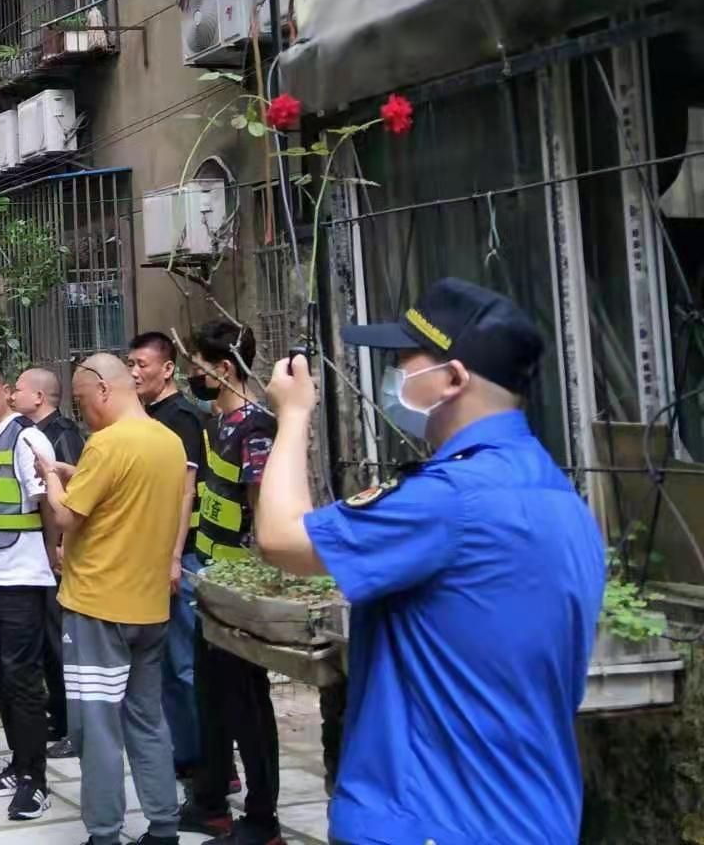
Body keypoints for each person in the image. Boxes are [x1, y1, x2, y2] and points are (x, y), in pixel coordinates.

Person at [257, 278, 605, 845]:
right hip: (533, 818)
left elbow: (279, 538)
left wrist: (294, 416)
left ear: (453, 378)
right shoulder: (562, 501)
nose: (393, 374)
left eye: (404, 361)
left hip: (428, 819)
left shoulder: (450, 499)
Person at [37, 353, 187, 845]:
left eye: (82, 402)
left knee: (96, 727)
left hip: (97, 610)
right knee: (147, 718)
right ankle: (164, 826)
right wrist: (76, 471)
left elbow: (66, 517)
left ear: (103, 389)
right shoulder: (168, 441)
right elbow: (122, 496)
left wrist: (51, 475)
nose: (83, 415)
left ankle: (104, 833)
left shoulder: (107, 443)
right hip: (150, 608)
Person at [176, 320, 282, 845]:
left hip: (240, 590)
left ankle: (263, 819)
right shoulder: (216, 423)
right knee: (211, 697)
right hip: (210, 582)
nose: (190, 375)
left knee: (247, 703)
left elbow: (265, 516)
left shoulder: (256, 427)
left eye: (196, 366)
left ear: (223, 369)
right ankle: (211, 801)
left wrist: (256, 587)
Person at [0, 359, 63, 822]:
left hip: (20, 578)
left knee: (22, 680)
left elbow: (48, 507)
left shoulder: (27, 438)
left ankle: (35, 782)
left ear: (5, 391)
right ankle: (19, 764)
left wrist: (54, 555)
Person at [128, 330, 208, 778]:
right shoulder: (145, 416)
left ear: (168, 368)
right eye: (130, 364)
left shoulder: (182, 417)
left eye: (142, 364)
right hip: (149, 556)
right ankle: (183, 753)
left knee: (184, 663)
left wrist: (175, 556)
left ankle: (208, 760)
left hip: (181, 557)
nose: (134, 372)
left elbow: (184, 491)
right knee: (162, 665)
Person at [9, 365, 86, 760]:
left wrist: (61, 545)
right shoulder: (23, 435)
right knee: (48, 642)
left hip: (61, 553)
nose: (11, 394)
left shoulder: (63, 435)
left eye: (17, 388)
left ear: (38, 397)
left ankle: (75, 726)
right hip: (40, 554)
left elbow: (73, 497)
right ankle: (58, 716)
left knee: (63, 642)